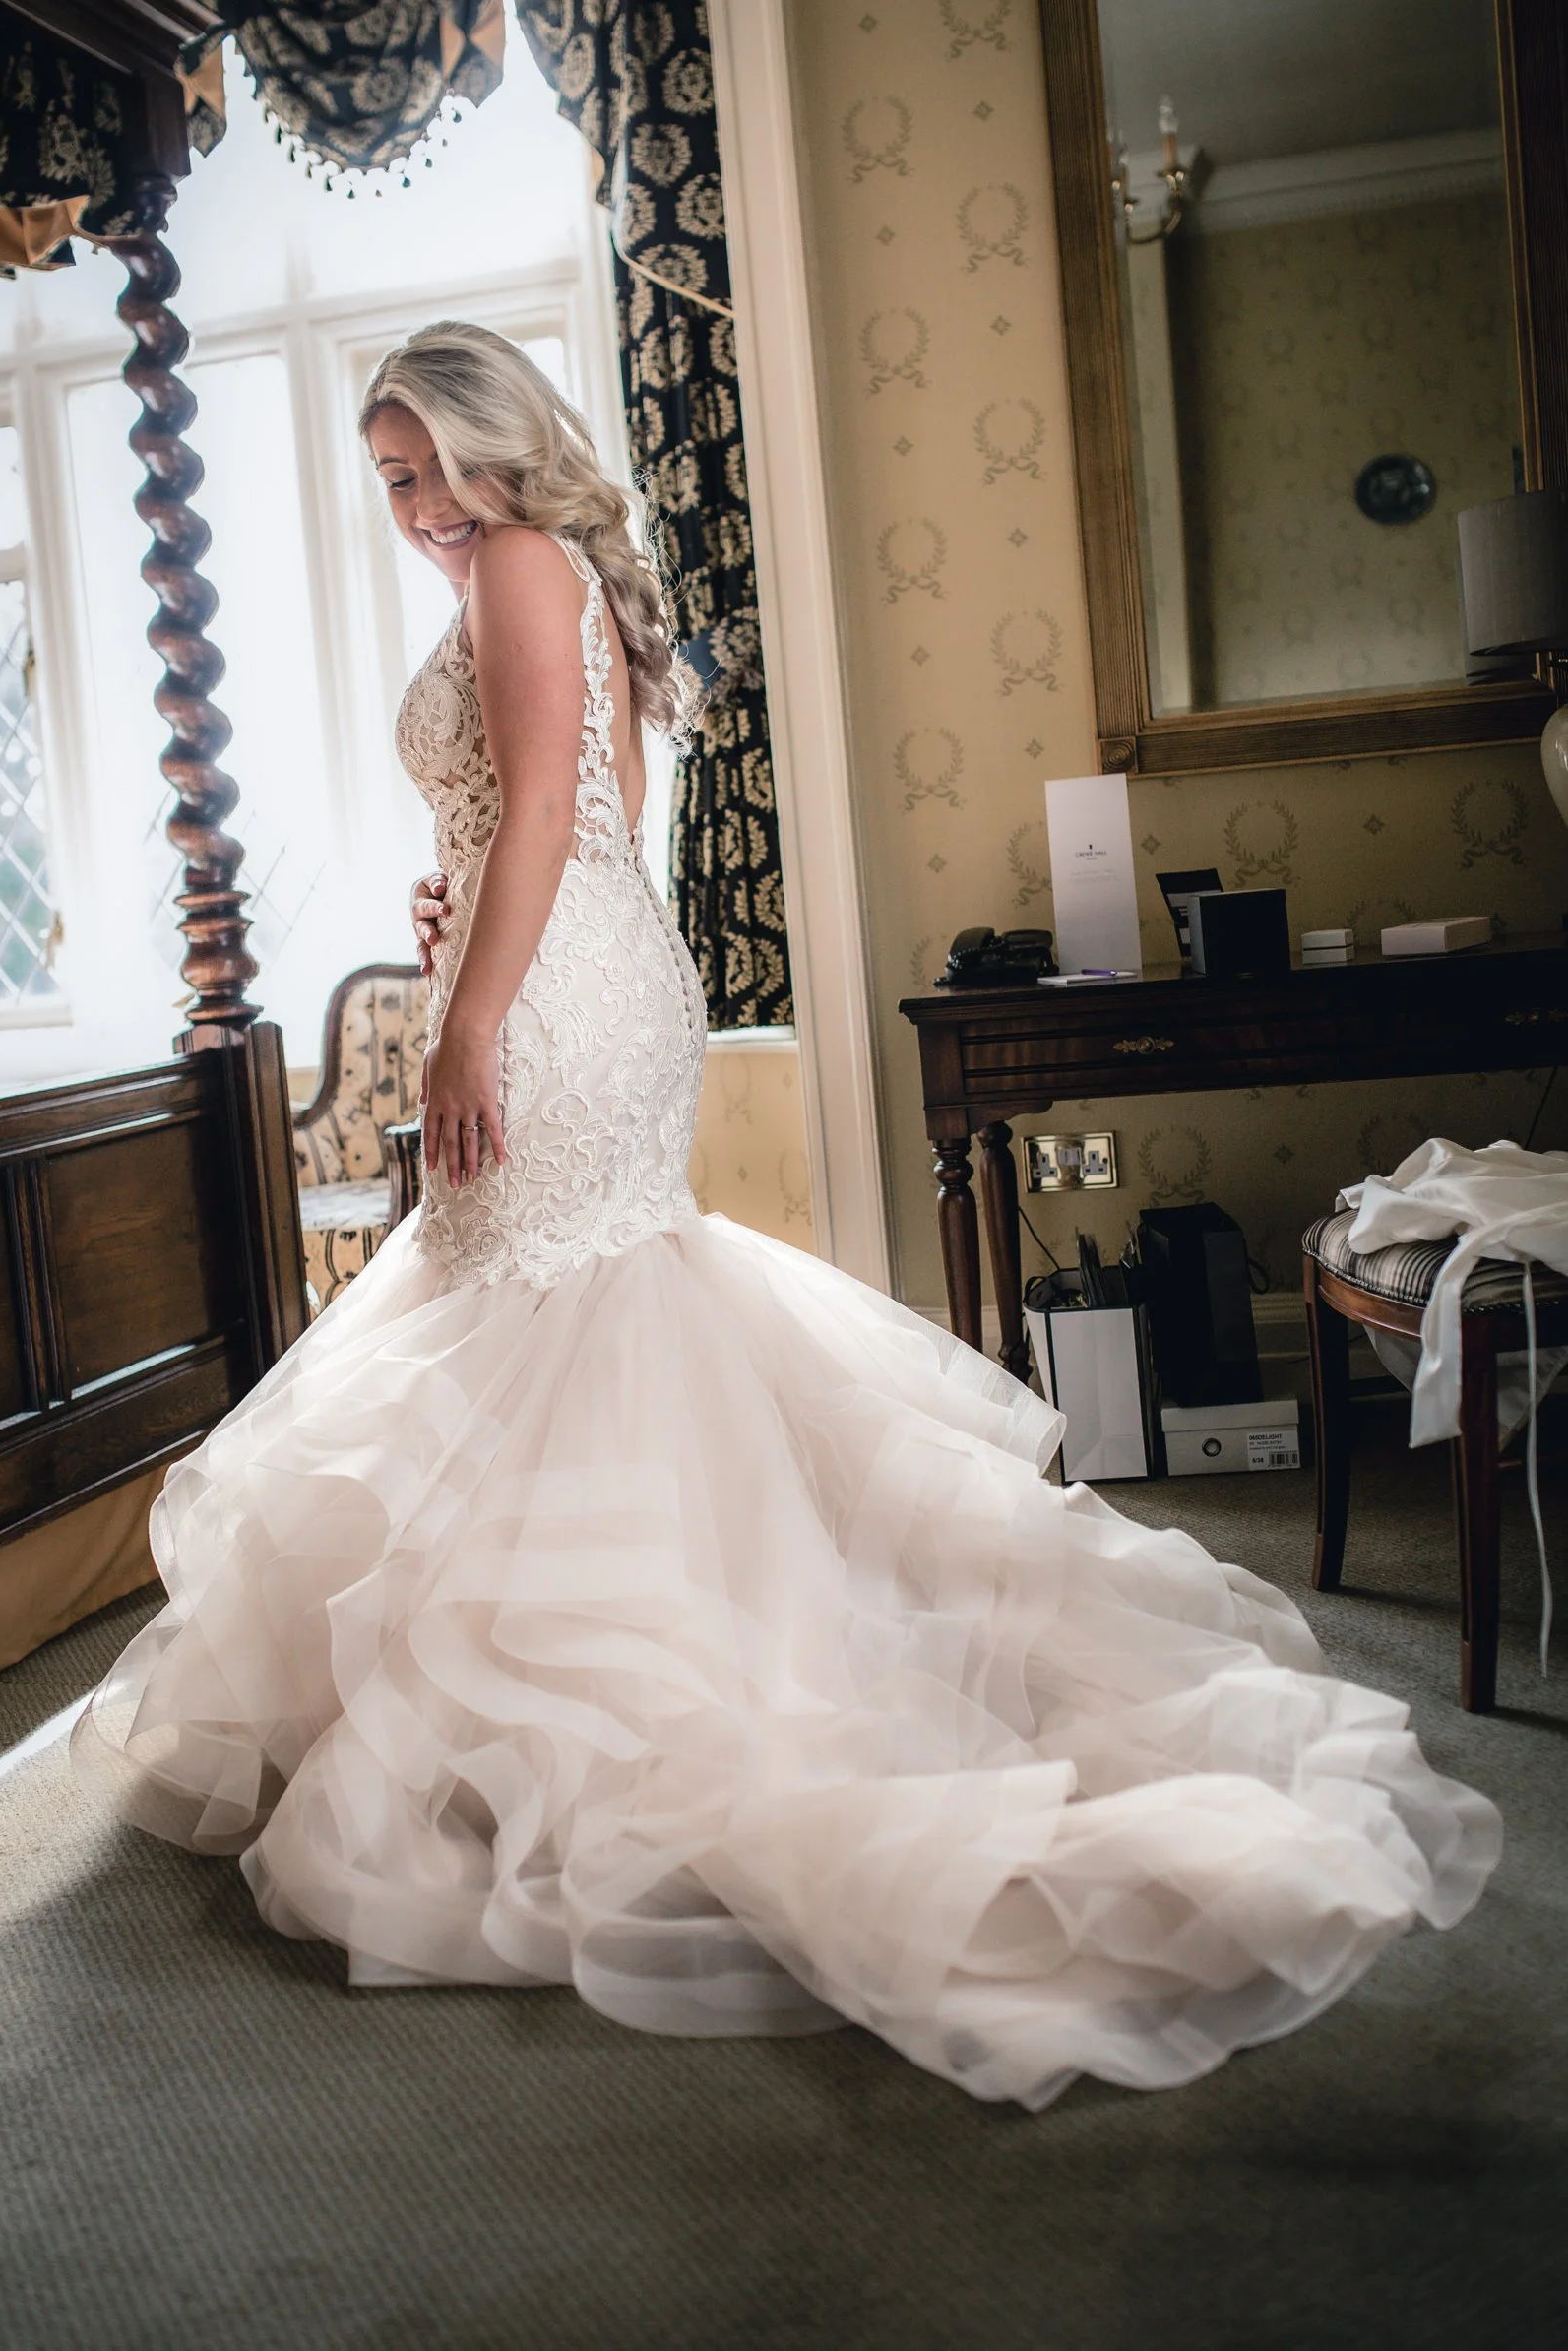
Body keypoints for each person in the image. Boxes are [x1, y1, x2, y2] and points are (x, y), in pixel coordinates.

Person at [74, 322, 1499, 2110]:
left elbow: (547, 817)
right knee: (563, 1319)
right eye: (389, 481)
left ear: (502, 446)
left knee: (545, 1315)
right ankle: (579, 1687)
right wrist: (458, 898)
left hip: (561, 1002)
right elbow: (564, 819)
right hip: (588, 970)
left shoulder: (518, 561)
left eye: (429, 466)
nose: (417, 507)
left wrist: (473, 1018)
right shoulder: (553, 568)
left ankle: (601, 1711)